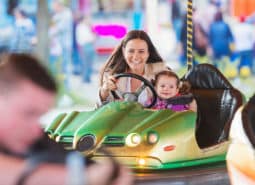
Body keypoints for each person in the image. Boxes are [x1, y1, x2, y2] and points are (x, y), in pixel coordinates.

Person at [0, 53, 133, 185]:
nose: (36, 130)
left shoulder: (37, 143)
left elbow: (71, 159)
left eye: (40, 116)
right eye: (28, 113)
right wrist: (81, 177)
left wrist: (110, 174)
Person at [98, 30, 169, 106]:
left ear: (148, 53)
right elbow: (100, 111)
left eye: (141, 51)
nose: (136, 57)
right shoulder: (110, 75)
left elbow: (171, 102)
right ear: (124, 51)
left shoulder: (161, 73)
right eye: (131, 51)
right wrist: (104, 91)